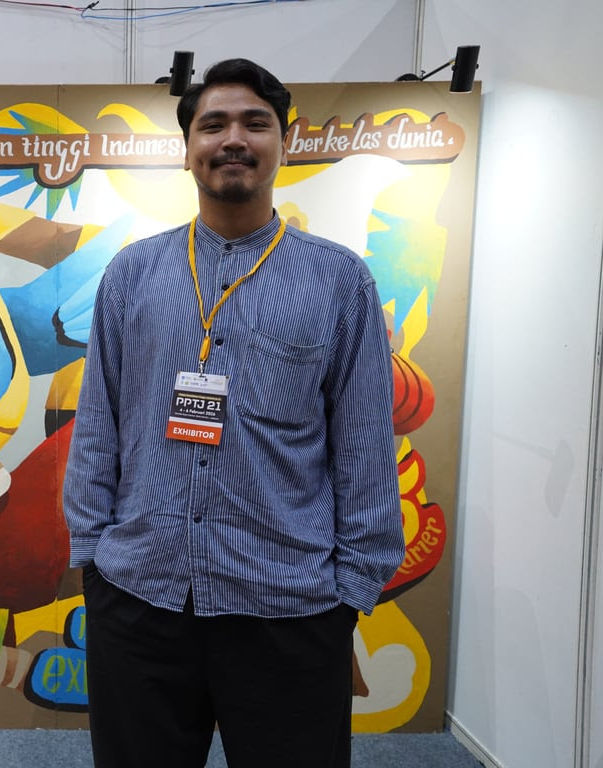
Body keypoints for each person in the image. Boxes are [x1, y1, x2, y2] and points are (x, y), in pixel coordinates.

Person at [62, 58, 406, 767]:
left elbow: (365, 442)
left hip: (290, 607)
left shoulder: (339, 281)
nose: (233, 139)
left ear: (286, 141)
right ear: (188, 146)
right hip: (142, 599)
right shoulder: (134, 274)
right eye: (213, 124)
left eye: (256, 123)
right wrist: (93, 559)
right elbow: (99, 424)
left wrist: (350, 592)